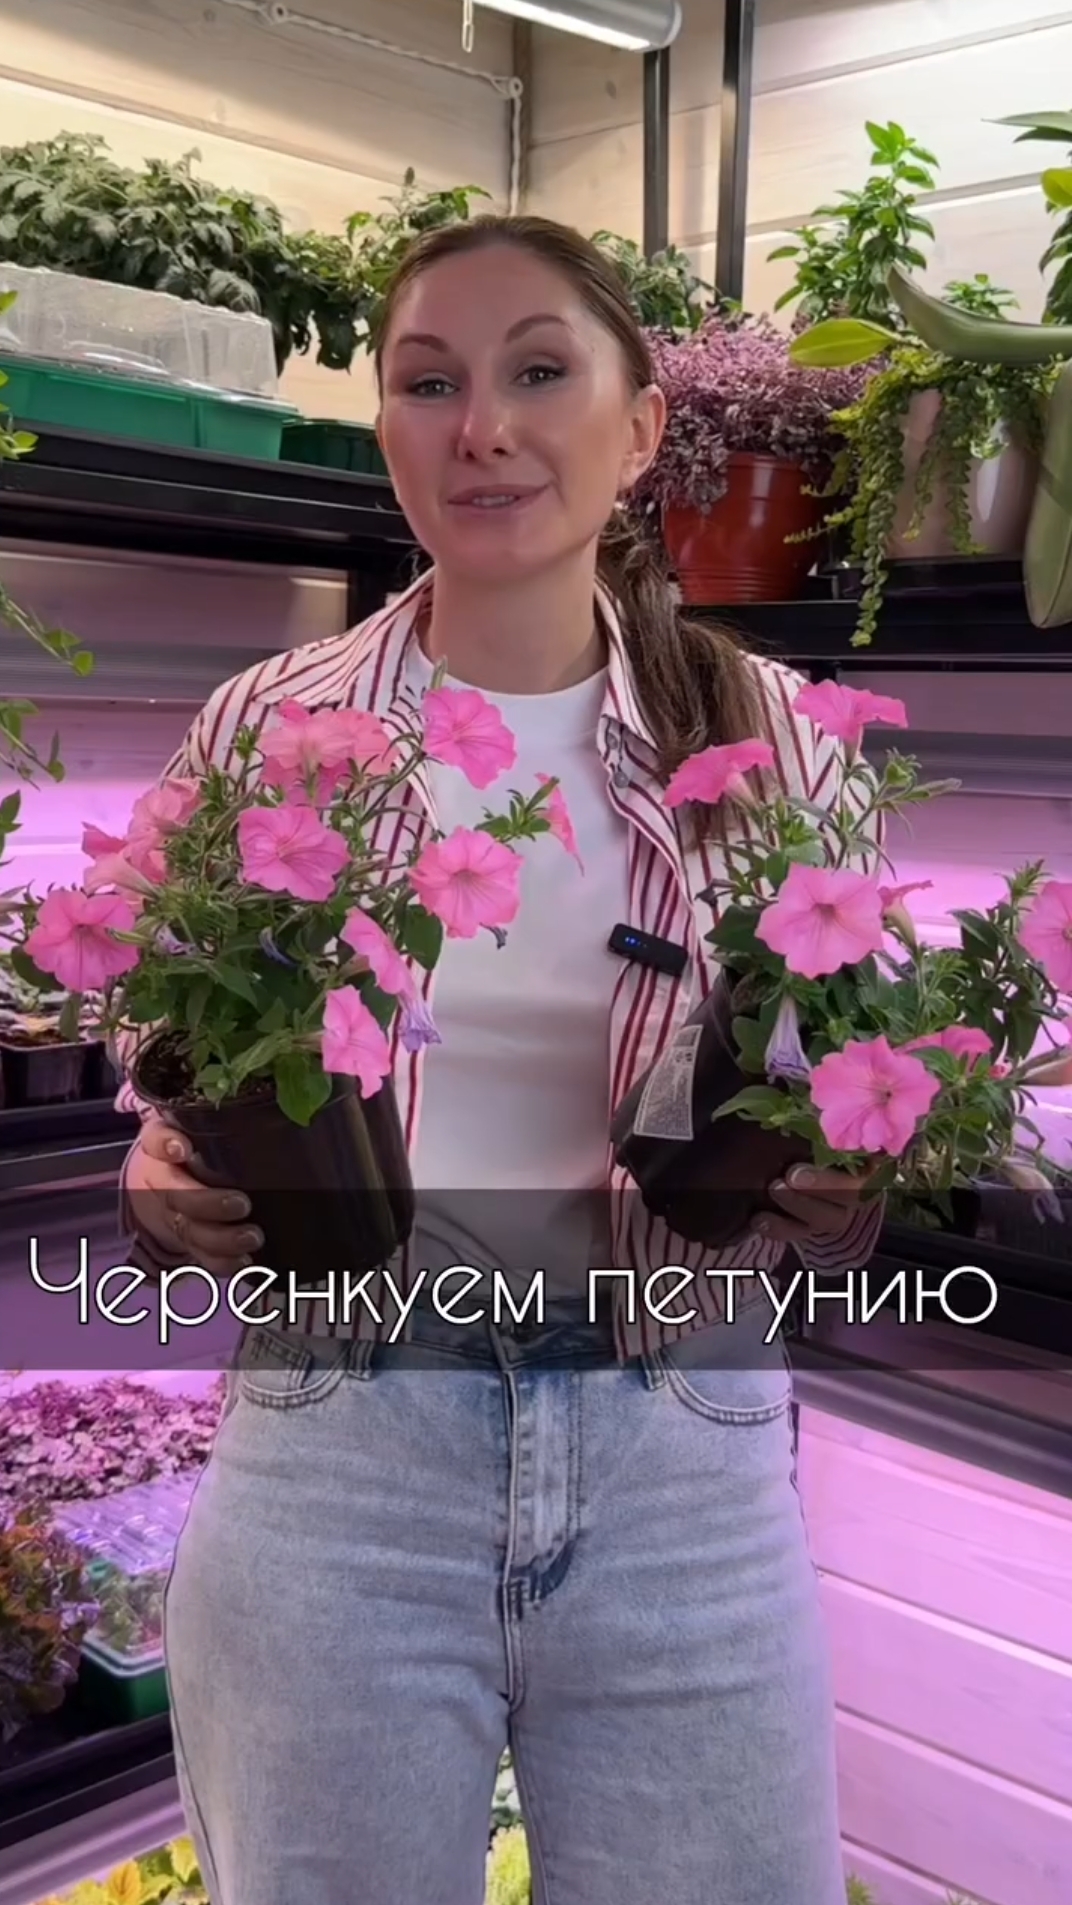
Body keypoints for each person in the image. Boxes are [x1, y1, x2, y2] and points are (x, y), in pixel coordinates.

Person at [119, 215, 886, 1905]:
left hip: (681, 1449)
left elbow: (842, 1082)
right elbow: (170, 1054)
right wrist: (163, 1172)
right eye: (429, 383)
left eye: (540, 371)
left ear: (641, 427)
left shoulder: (776, 736)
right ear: (386, 430)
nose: (483, 427)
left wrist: (842, 1183)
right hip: (342, 1448)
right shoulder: (265, 724)